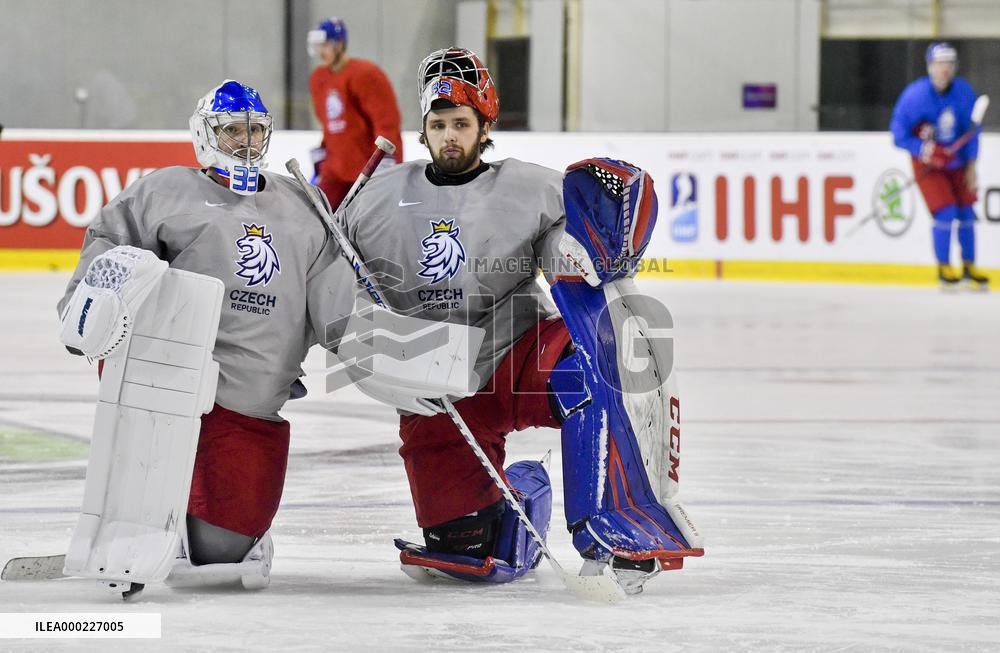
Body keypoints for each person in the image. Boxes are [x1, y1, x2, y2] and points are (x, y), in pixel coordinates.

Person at [339, 48, 703, 594]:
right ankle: (524, 493)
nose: (449, 136)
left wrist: (584, 248)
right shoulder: (375, 199)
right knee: (460, 550)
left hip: (516, 351)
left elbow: (575, 241)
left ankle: (613, 523)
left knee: (596, 366)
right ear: (424, 130)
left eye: (461, 124)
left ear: (485, 126)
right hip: (433, 385)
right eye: (438, 125)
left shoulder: (530, 186)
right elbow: (324, 272)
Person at [57, 80, 356, 587]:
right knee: (146, 515)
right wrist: (87, 309)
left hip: (246, 403)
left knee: (218, 556)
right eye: (233, 129)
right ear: (205, 134)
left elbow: (338, 310)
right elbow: (105, 260)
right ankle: (152, 518)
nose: (245, 141)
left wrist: (394, 355)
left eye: (255, 130)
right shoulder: (161, 191)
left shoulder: (303, 209)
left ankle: (226, 531)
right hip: (161, 395)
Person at [890, 42, 989, 289]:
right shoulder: (915, 96)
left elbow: (971, 131)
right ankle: (944, 268)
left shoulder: (963, 92)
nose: (944, 69)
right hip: (929, 165)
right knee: (946, 212)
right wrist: (926, 150)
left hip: (957, 163)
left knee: (966, 212)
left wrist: (971, 164)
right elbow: (898, 134)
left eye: (949, 64)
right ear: (930, 66)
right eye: (939, 64)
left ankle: (969, 268)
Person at [307, 17, 403, 208]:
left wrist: (386, 161)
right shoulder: (319, 78)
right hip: (334, 170)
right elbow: (330, 125)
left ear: (339, 44)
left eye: (325, 45)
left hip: (366, 168)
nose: (320, 52)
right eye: (318, 46)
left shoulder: (366, 74)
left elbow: (386, 121)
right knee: (317, 217)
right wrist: (322, 156)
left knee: (367, 226)